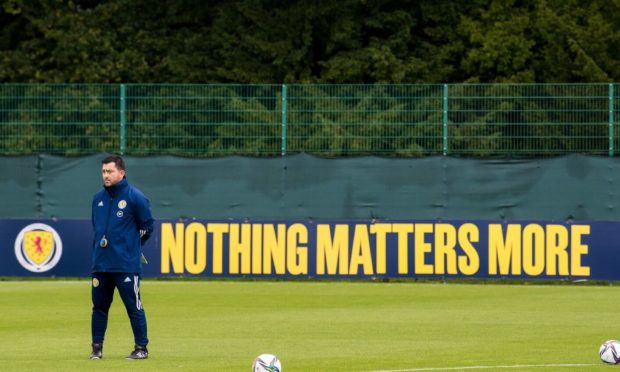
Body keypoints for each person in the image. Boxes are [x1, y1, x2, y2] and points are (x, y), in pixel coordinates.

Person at [89, 155, 154, 360]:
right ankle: (97, 348)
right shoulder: (98, 198)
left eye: (110, 171)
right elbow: (97, 228)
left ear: (121, 173)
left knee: (133, 307)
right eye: (103, 172)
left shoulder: (135, 196)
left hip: (125, 264)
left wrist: (132, 246)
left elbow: (148, 227)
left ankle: (141, 348)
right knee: (99, 308)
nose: (105, 175)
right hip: (101, 264)